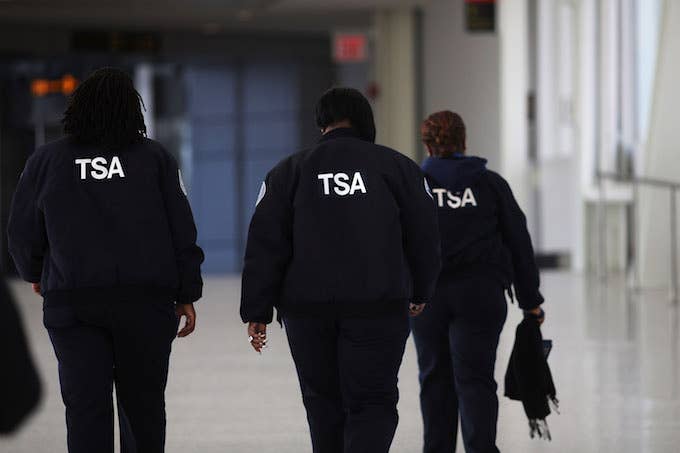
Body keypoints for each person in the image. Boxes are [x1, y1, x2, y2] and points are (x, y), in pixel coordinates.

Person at [7, 67, 204, 453]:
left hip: (73, 303)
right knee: (143, 407)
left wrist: (35, 271)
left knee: (85, 408)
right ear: (134, 111)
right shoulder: (154, 159)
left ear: (75, 109)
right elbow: (182, 228)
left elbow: (21, 229)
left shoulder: (46, 161)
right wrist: (187, 291)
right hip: (145, 306)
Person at [240, 87, 441, 453]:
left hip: (307, 312)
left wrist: (257, 309)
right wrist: (421, 290)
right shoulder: (398, 169)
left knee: (322, 404)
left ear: (322, 124)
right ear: (367, 122)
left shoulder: (287, 172)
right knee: (373, 403)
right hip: (377, 308)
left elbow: (265, 243)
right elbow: (425, 235)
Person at [410, 111, 545, 453]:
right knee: (475, 380)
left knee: (434, 379)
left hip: (427, 298)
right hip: (481, 295)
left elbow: (396, 239)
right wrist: (531, 300)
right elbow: (518, 240)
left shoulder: (413, 184)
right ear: (464, 141)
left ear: (426, 145)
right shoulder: (489, 184)